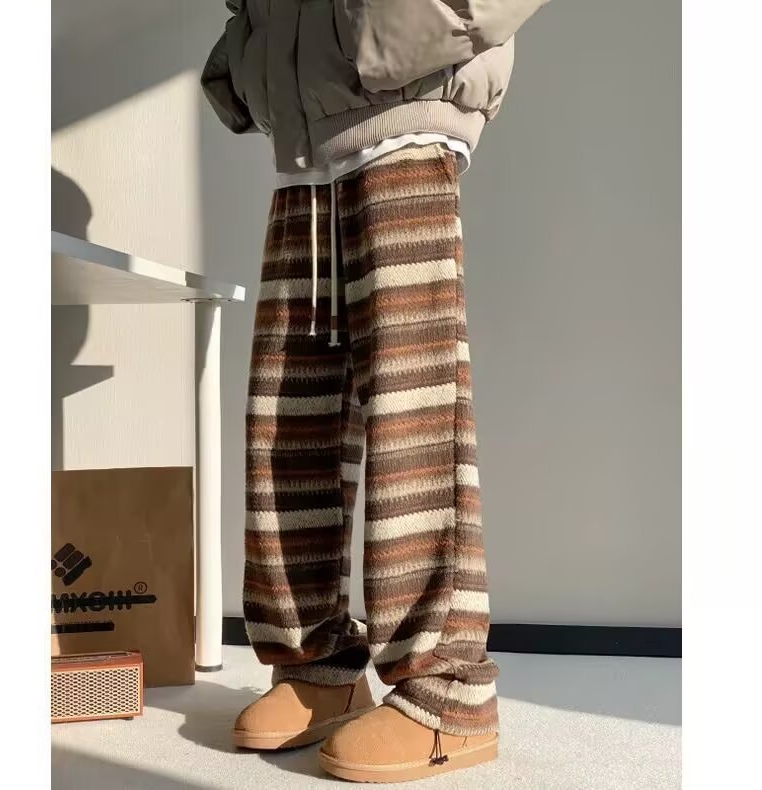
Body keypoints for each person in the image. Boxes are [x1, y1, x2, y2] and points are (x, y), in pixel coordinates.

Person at [202, 0, 549, 782]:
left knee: (411, 409)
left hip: (407, 120)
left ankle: (448, 688)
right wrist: (254, 57)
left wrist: (387, 28)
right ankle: (316, 662)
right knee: (289, 417)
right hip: (306, 149)